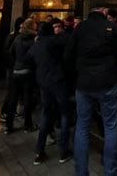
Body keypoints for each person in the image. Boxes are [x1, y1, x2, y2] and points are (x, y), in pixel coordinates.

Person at [64, 0, 117, 176]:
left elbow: (68, 56)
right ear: (104, 10)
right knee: (110, 126)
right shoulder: (111, 28)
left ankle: (81, 172)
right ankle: (110, 171)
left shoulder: (80, 28)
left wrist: (79, 73)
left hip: (84, 84)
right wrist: (115, 72)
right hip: (107, 83)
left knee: (82, 126)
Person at [25, 22, 72, 165]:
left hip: (43, 83)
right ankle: (63, 151)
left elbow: (27, 59)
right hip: (58, 81)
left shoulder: (37, 45)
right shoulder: (54, 42)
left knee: (46, 113)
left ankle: (40, 151)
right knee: (65, 113)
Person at [5, 18, 37, 133]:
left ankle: (8, 125)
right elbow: (34, 55)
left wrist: (15, 64)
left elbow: (10, 52)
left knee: (13, 99)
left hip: (16, 71)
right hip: (28, 71)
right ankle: (28, 124)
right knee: (27, 98)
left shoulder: (18, 37)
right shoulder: (34, 39)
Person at [0, 16, 25, 122]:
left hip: (14, 66)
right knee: (11, 91)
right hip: (13, 67)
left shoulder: (16, 36)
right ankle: (5, 112)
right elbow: (7, 52)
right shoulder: (14, 36)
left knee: (14, 91)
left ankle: (11, 111)